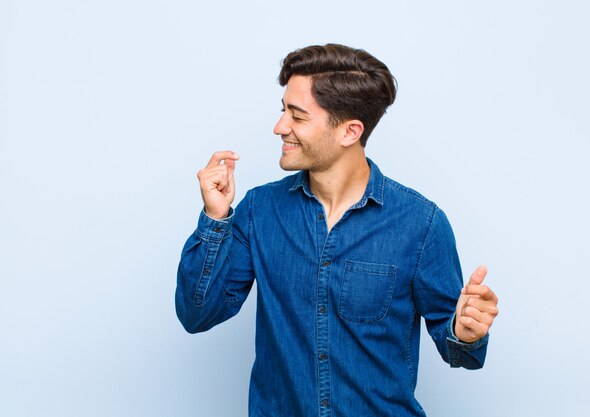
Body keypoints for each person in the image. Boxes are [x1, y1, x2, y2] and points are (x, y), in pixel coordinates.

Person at [175, 43, 499, 417]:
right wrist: (216, 220)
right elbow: (196, 315)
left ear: (349, 132)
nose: (280, 127)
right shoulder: (259, 211)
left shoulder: (420, 223)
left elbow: (457, 349)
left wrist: (465, 332)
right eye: (283, 111)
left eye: (297, 116)